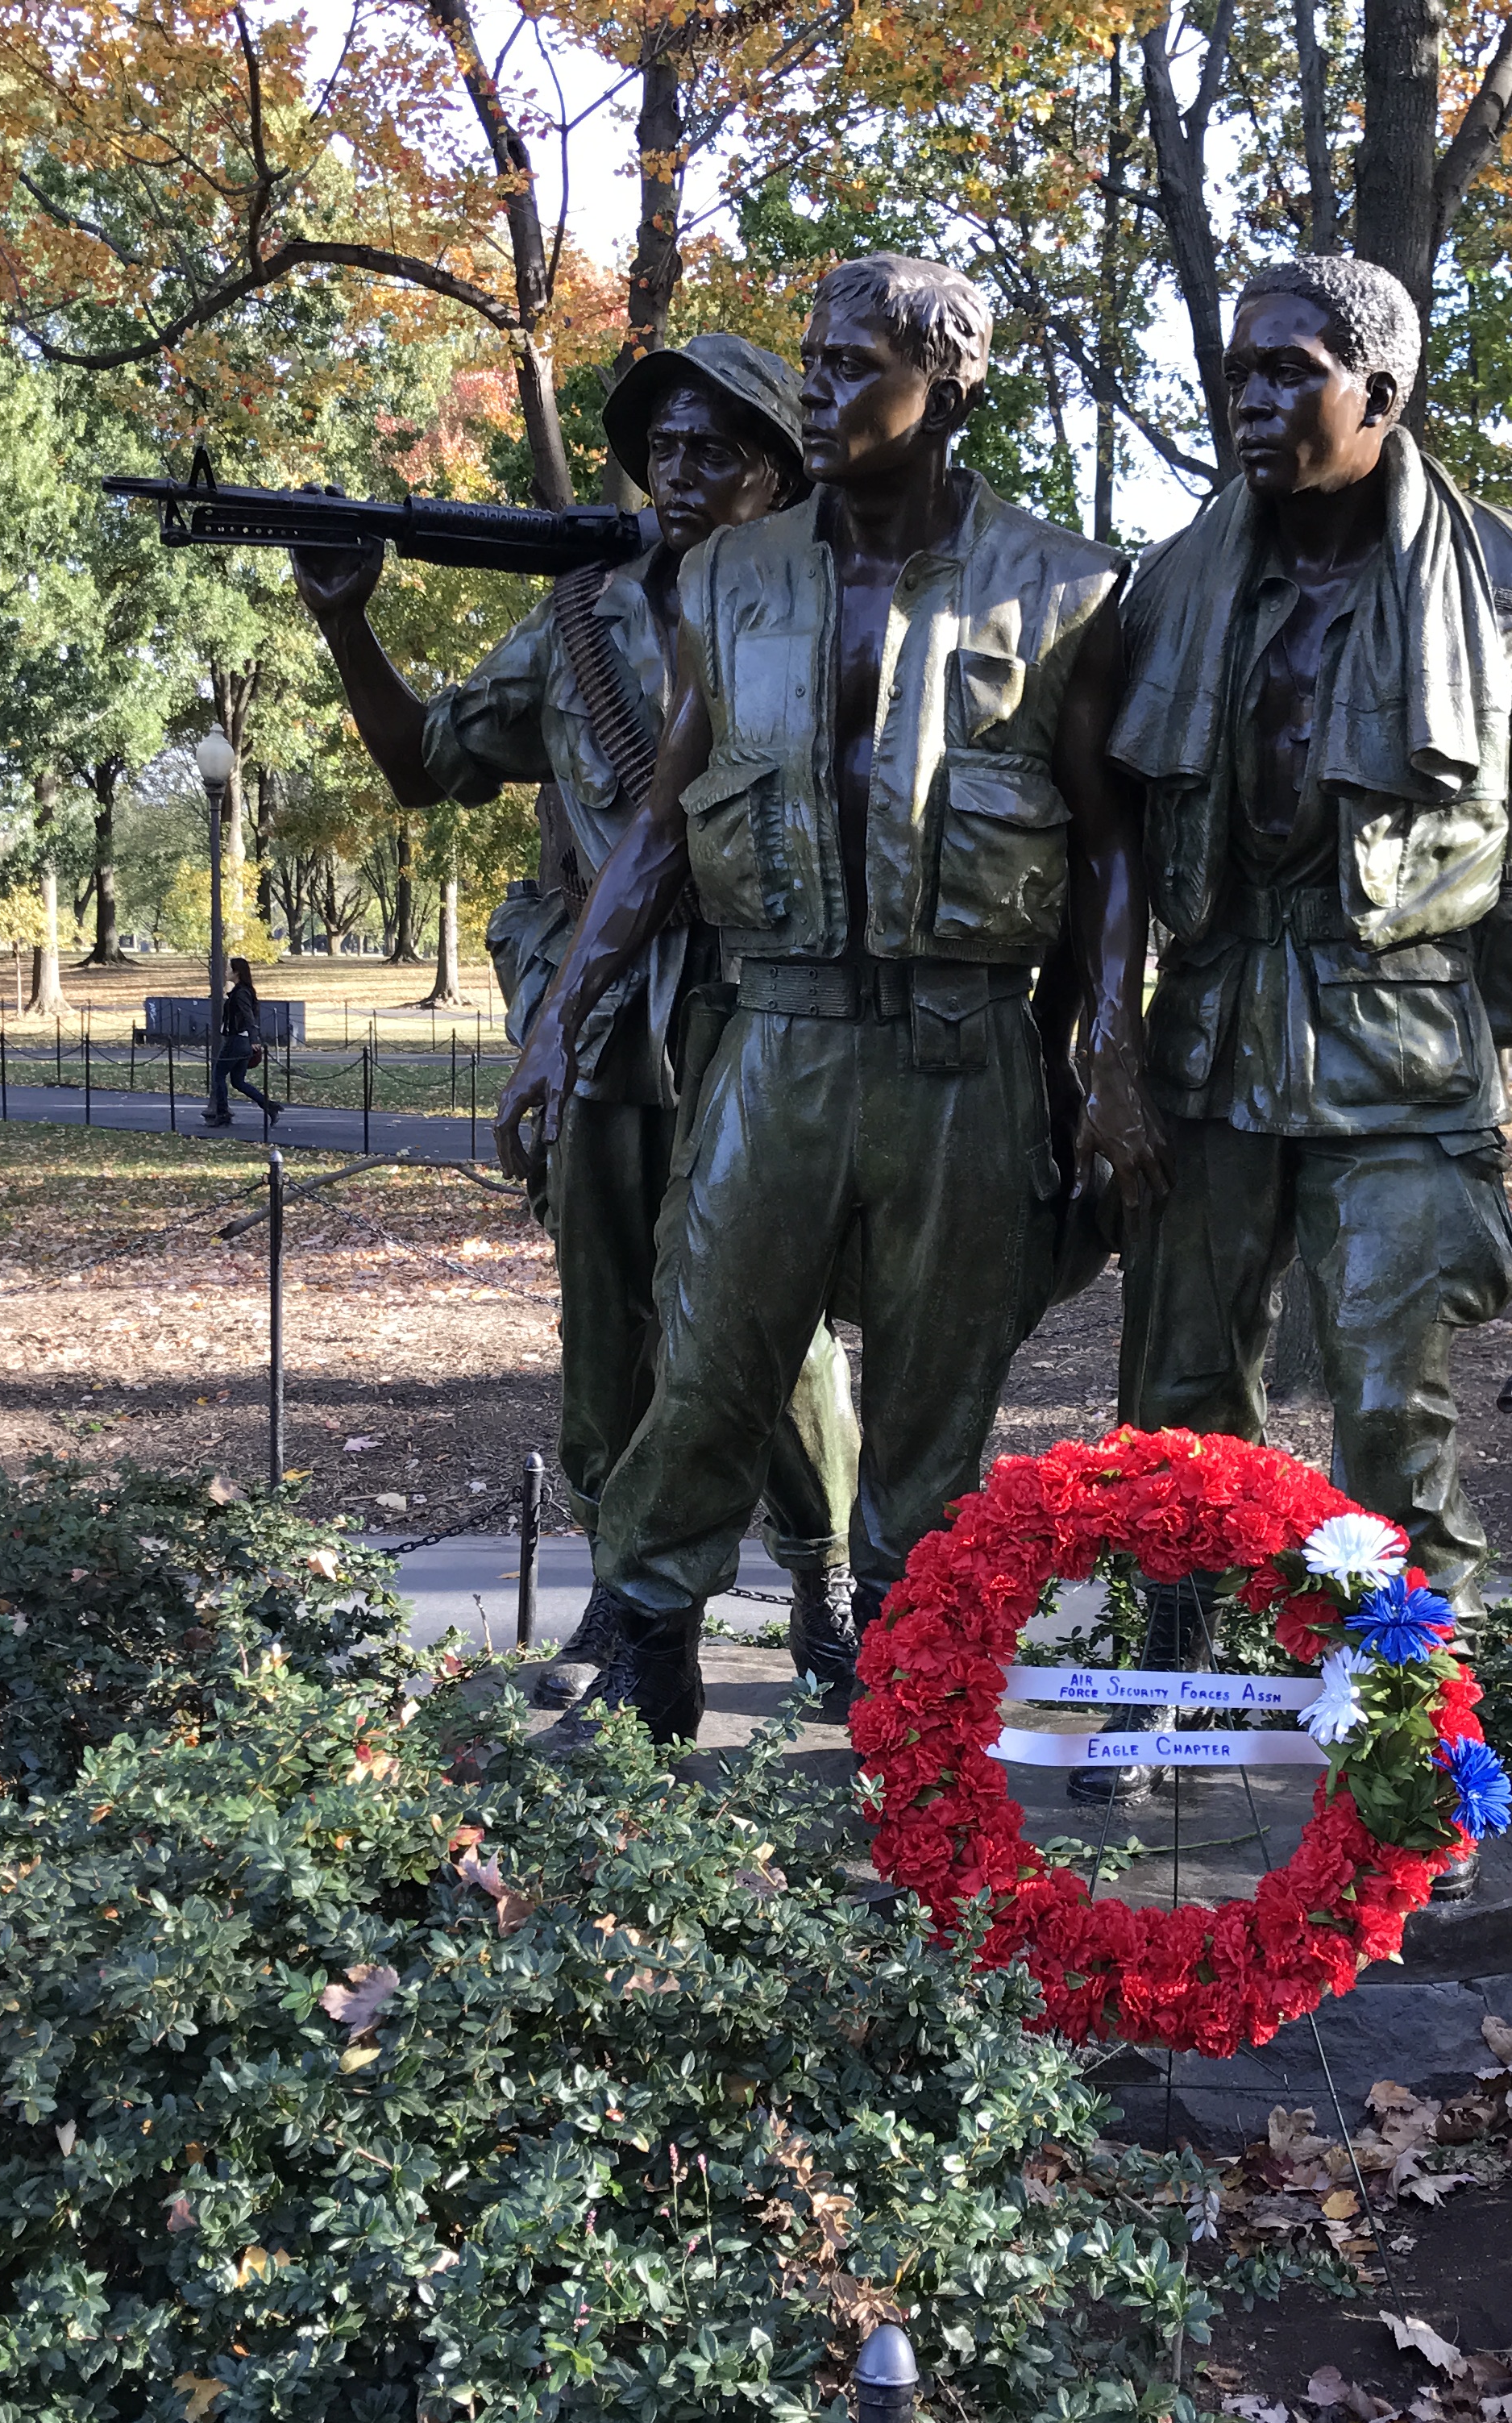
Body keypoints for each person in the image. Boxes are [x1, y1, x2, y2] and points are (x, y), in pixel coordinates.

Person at [492, 253, 1165, 1744]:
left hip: (965, 1048)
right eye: (812, 356)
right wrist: (557, 1027)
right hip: (773, 1034)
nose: (817, 385)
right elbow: (663, 829)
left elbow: (1114, 852)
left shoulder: (1065, 587)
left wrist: (1106, 1061)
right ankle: (644, 1660)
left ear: (950, 386)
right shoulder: (727, 579)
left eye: (854, 362)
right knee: (709, 1356)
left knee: (936, 1398)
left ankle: (904, 1710)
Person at [1093, 254, 1512, 1805]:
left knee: (1387, 1402)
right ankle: (1168, 1680)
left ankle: (1402, 1721)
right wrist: (1105, 1054)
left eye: (1290, 369)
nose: (1250, 397)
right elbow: (1106, 832)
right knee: (1176, 1393)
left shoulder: (1501, 576)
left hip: (1405, 1042)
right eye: (1236, 370)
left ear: (1382, 393)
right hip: (1210, 1027)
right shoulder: (1168, 580)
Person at [296, 333, 866, 1708]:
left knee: (764, 1309)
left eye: (718, 448)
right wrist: (345, 621)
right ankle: (630, 1600)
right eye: (661, 446)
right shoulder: (575, 621)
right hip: (602, 1006)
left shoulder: (826, 611)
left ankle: (823, 1567)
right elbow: (427, 763)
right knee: (605, 1309)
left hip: (757, 1000)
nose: (681, 472)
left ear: (777, 473)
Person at [215, 955, 280, 1128]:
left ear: (237, 972)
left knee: (218, 1076)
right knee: (238, 1081)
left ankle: (222, 1114)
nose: (226, 972)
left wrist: (254, 1038)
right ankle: (269, 1107)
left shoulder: (241, 993)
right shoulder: (244, 991)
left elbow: (248, 1015)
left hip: (237, 1041)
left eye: (229, 969)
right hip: (243, 1041)